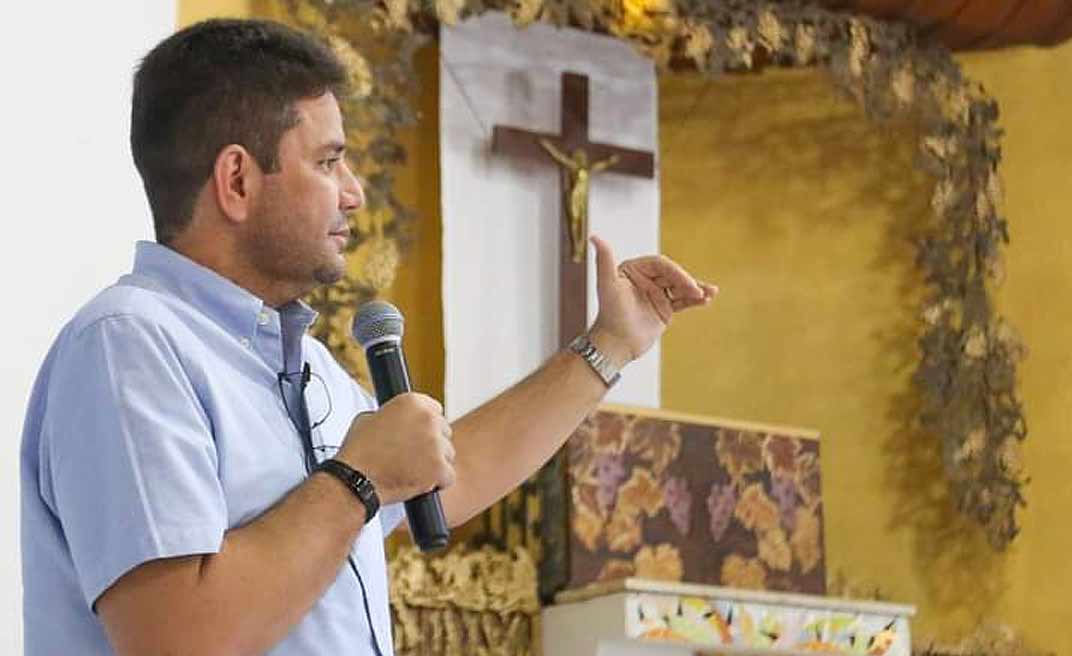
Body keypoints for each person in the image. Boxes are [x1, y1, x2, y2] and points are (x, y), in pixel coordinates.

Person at [19, 18, 718, 656]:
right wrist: (359, 479)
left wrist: (608, 346)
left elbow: (445, 477)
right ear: (236, 180)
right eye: (328, 162)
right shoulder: (129, 344)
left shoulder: (306, 363)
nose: (353, 192)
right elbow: (176, 640)